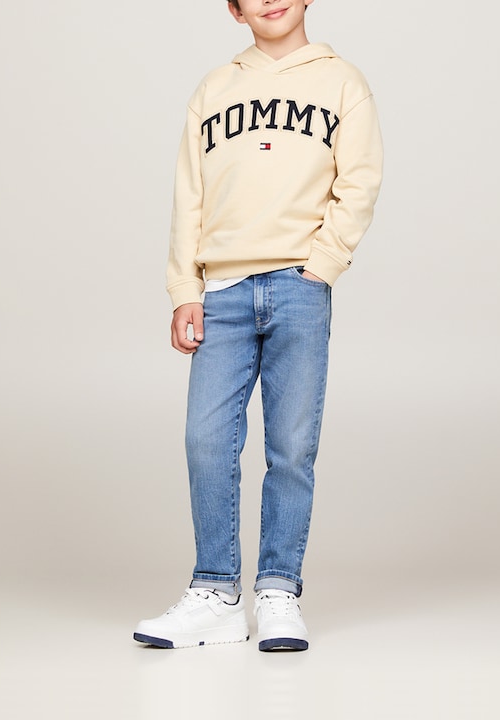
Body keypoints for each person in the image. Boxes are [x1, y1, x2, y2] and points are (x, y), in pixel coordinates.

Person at [134, 0, 383, 652]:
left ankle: (278, 591)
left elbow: (358, 182)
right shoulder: (214, 89)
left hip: (300, 286)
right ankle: (216, 593)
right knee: (206, 440)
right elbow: (188, 196)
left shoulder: (342, 82)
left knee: (292, 447)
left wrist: (321, 267)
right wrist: (184, 289)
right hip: (221, 290)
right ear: (235, 9)